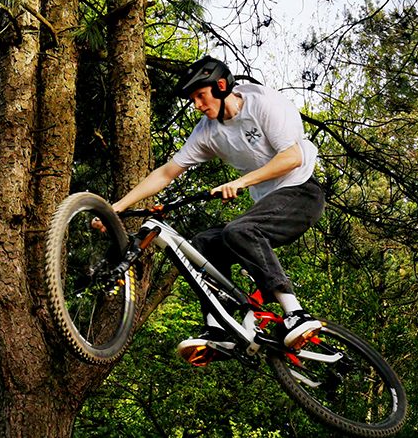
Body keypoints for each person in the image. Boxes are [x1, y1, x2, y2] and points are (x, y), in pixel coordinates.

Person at [111, 55, 328, 363]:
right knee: (203, 244)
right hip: (268, 203)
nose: (197, 105)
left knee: (239, 230)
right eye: (193, 99)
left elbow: (292, 157)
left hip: (302, 191)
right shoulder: (207, 132)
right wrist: (117, 207)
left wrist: (241, 182)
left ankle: (296, 314)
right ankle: (219, 329)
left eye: (201, 96)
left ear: (222, 86)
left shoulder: (262, 103)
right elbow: (166, 172)